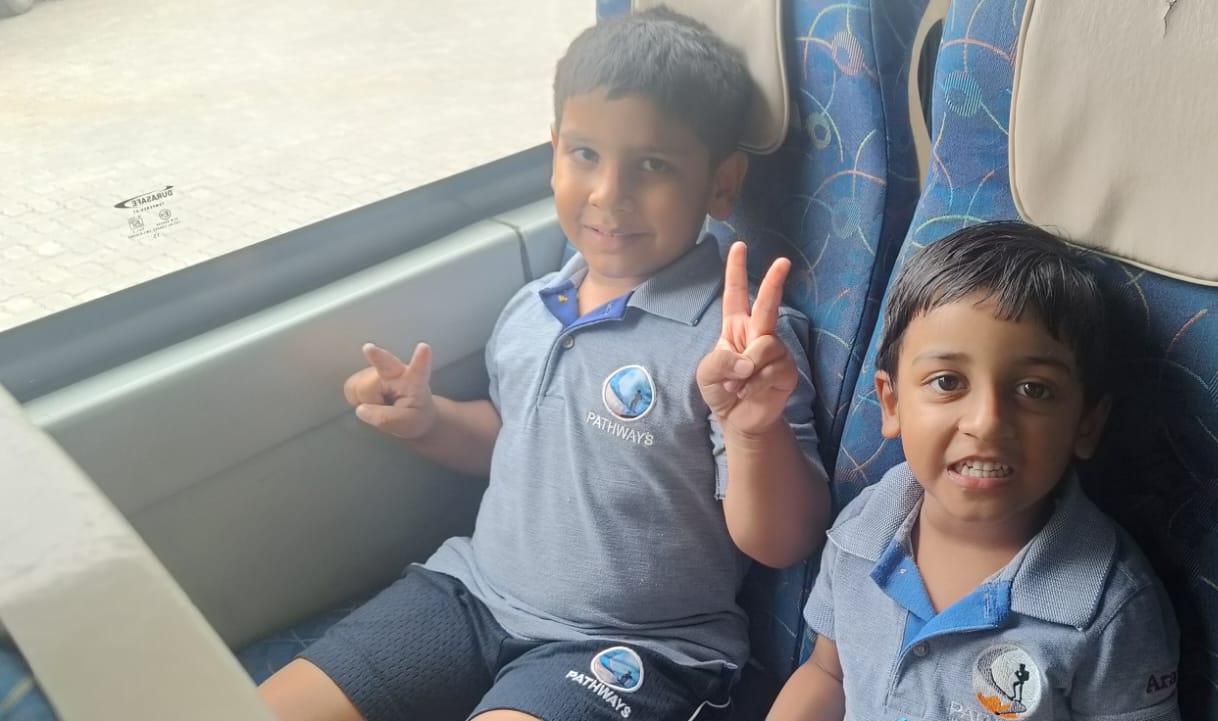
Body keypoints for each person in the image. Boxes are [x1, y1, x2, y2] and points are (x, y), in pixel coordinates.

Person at [259, 8, 829, 720]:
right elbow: (514, 439)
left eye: (653, 165)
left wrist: (752, 431)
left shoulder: (739, 350)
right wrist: (430, 420)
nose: (608, 193)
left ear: (721, 184)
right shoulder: (534, 307)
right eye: (585, 154)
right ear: (554, 150)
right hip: (470, 593)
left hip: (630, 644)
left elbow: (783, 541)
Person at [768, 221, 1181, 721]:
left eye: (1034, 389)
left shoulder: (1111, 607)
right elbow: (828, 674)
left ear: (1086, 425)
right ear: (892, 405)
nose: (986, 422)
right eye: (948, 382)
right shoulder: (861, 531)